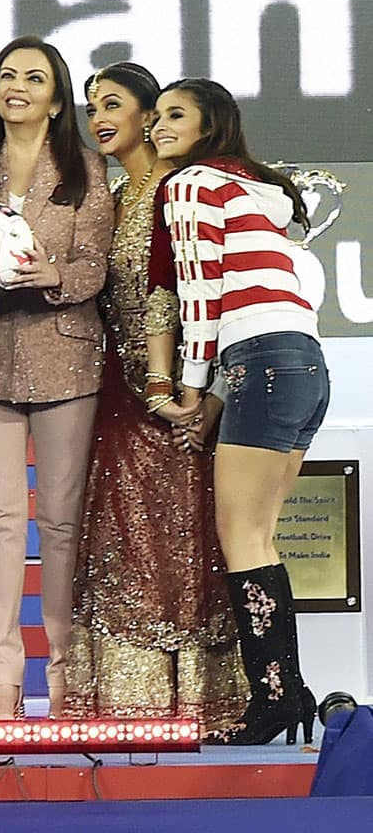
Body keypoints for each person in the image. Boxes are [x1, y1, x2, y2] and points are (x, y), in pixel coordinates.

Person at [0, 36, 113, 719]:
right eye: (8, 75)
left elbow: (96, 265)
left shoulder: (87, 170)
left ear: (56, 99)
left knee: (61, 525)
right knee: (0, 522)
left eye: (35, 78)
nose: (18, 86)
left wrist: (55, 274)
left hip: (66, 357)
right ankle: (3, 680)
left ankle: (65, 676)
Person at [64, 63, 247, 727]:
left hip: (186, 402)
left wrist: (214, 396)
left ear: (149, 114)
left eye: (113, 103)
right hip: (122, 400)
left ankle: (200, 699)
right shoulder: (115, 193)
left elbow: (221, 297)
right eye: (90, 108)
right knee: (125, 546)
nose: (98, 118)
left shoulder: (188, 188)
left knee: (189, 544)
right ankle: (127, 702)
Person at [153, 77, 329, 744]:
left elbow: (200, 294)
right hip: (307, 366)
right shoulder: (256, 191)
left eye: (176, 116)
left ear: (209, 127)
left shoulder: (191, 184)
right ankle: (290, 689)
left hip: (260, 362)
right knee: (261, 538)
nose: (160, 126)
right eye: (159, 116)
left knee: (245, 542)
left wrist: (191, 389)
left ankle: (274, 700)